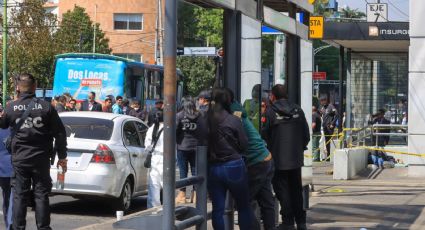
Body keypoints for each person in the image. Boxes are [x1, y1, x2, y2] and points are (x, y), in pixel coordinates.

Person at [0, 73, 68, 230]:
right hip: (41, 158)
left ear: (18, 88)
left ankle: (18, 228)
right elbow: (60, 133)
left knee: (19, 195)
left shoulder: (11, 107)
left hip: (20, 158)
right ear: (35, 87)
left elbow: (3, 125)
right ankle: (43, 227)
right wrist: (62, 156)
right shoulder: (46, 107)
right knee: (41, 194)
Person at [262, 84, 310, 230]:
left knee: (282, 191)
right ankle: (301, 222)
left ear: (273, 96)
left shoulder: (270, 112)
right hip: (296, 159)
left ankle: (288, 222)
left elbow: (264, 135)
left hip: (278, 160)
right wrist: (298, 148)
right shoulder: (298, 110)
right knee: (296, 190)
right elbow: (306, 135)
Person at [227, 88, 275, 230]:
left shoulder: (234, 115)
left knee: (243, 202)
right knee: (266, 202)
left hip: (256, 162)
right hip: (266, 157)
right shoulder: (239, 110)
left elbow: (239, 141)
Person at [206, 88, 253, 230]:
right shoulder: (233, 120)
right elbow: (244, 144)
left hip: (213, 167)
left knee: (217, 209)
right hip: (234, 166)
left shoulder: (205, 119)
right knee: (243, 206)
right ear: (228, 101)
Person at [175, 96, 200, 204]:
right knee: (195, 171)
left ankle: (182, 195)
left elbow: (174, 131)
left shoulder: (179, 116)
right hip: (196, 147)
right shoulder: (199, 116)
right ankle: (195, 195)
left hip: (182, 147)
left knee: (183, 171)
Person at [145, 110, 164, 208]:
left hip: (155, 158)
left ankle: (154, 209)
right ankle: (167, 209)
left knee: (154, 186)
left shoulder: (151, 129)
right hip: (167, 158)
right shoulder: (169, 129)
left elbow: (147, 146)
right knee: (167, 185)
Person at [0, 127, 12, 230]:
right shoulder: (21, 125)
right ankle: (10, 225)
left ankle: (9, 225)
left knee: (8, 199)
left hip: (4, 168)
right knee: (13, 199)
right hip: (18, 167)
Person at [320, 95, 338, 160]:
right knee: (326, 142)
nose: (321, 102)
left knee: (329, 141)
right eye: (321, 101)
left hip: (329, 127)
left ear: (325, 100)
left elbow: (336, 115)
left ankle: (331, 157)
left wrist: (332, 123)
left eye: (322, 101)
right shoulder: (323, 108)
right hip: (324, 127)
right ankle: (328, 156)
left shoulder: (331, 106)